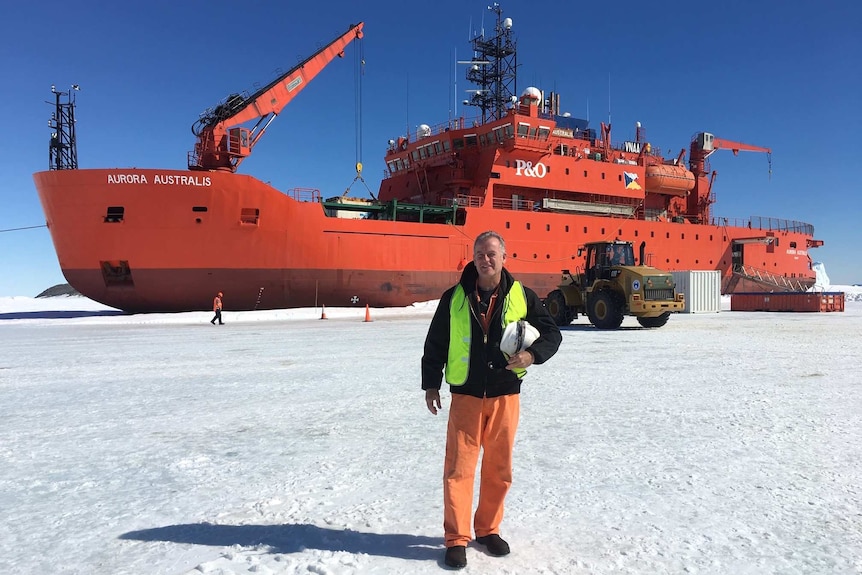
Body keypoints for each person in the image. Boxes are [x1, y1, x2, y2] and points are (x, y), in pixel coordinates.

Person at [421, 230, 562, 569]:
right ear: (473, 257)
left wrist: (530, 356)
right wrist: (430, 384)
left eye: (492, 253)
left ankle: (488, 530)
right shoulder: (453, 297)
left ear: (504, 257)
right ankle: (457, 538)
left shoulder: (522, 294)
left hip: (504, 394)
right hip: (466, 395)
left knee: (499, 469)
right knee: (459, 469)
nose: (486, 259)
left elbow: (552, 333)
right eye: (480, 253)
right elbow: (436, 342)